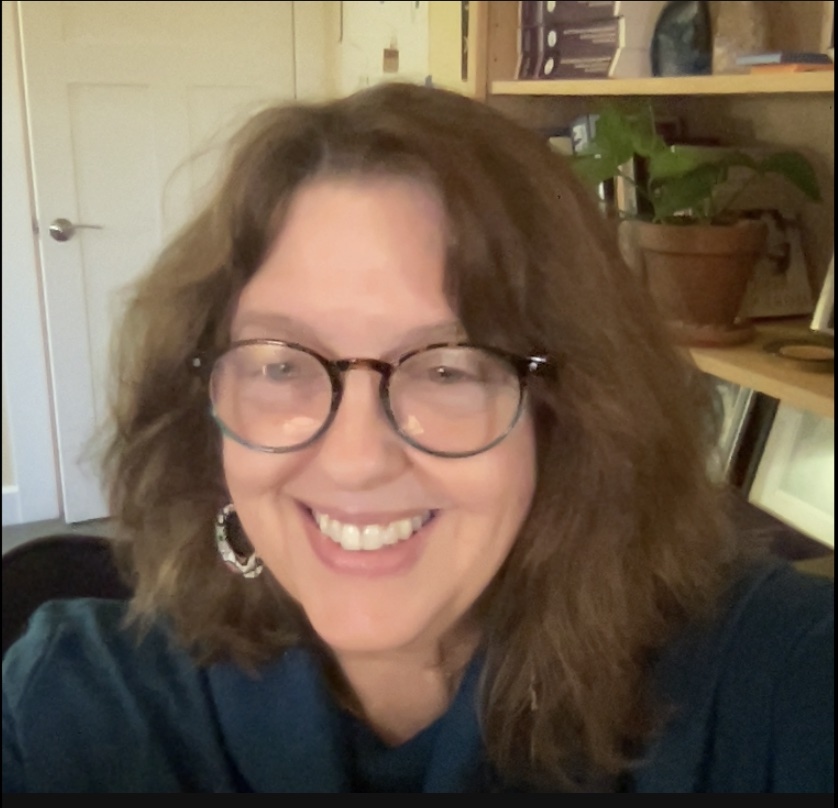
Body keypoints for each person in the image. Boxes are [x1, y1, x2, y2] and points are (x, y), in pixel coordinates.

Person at [2, 82, 832, 793]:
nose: (357, 459)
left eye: (448, 369)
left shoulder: (771, 682)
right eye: (280, 364)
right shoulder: (75, 711)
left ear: (572, 411)